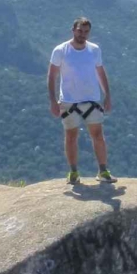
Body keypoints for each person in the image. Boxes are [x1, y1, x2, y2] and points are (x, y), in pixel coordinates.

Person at [48, 16, 114, 185]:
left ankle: (103, 170)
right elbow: (52, 76)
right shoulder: (60, 50)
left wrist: (107, 95)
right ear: (73, 30)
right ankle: (73, 172)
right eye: (80, 31)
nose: (82, 34)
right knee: (71, 136)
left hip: (92, 99)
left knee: (98, 135)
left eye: (86, 32)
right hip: (69, 101)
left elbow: (100, 72)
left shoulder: (94, 50)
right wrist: (53, 101)